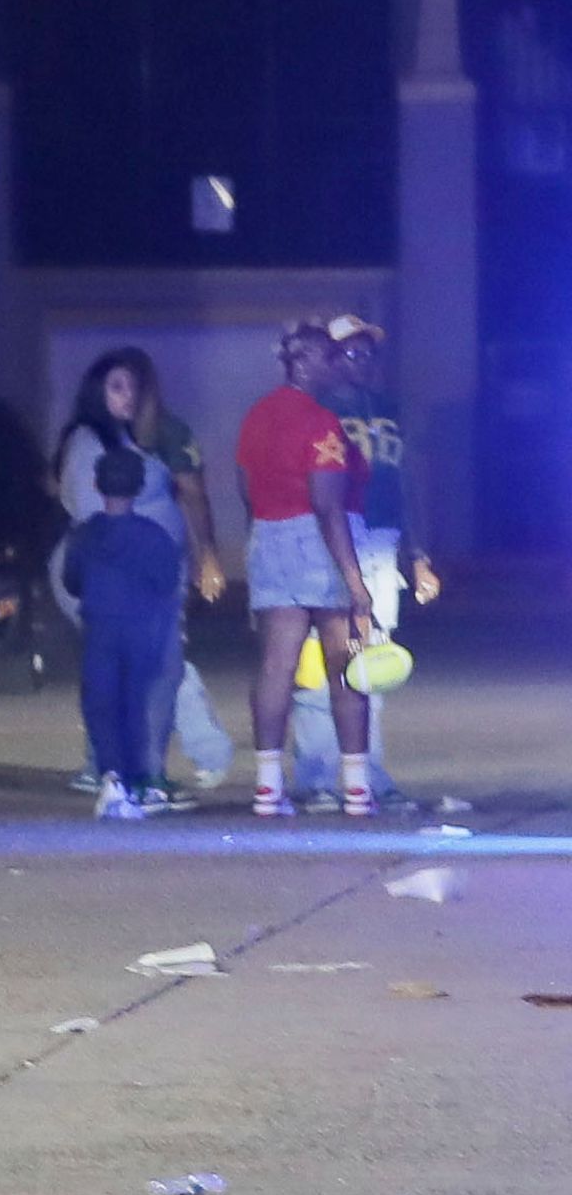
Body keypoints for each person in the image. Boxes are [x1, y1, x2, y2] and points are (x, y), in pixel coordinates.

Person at [50, 347, 224, 804]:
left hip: (137, 589)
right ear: (95, 391)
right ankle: (133, 774)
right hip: (123, 591)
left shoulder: (129, 439)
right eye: (116, 386)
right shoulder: (89, 442)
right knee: (143, 678)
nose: (128, 397)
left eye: (133, 386)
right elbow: (89, 521)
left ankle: (121, 771)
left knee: (139, 678)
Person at [234, 317, 386, 821]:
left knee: (277, 667)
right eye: (327, 357)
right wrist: (354, 581)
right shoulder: (321, 422)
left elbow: (243, 483)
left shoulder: (256, 415)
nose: (335, 365)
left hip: (268, 537)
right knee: (346, 666)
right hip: (317, 543)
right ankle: (357, 788)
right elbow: (328, 505)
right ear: (303, 362)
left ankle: (267, 785)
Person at [291, 313, 437, 805]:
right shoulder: (316, 408)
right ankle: (314, 776)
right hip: (335, 533)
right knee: (320, 658)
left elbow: (407, 482)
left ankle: (368, 771)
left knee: (371, 659)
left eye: (368, 352)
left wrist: (417, 555)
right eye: (351, 352)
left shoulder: (389, 408)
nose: (362, 361)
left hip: (380, 537)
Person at [69, 445, 184, 822]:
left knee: (101, 704)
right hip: (142, 632)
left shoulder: (84, 535)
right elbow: (167, 581)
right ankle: (140, 780)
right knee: (136, 705)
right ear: (139, 487)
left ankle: (112, 777)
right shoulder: (154, 536)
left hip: (100, 629)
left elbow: (72, 581)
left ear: (97, 485)